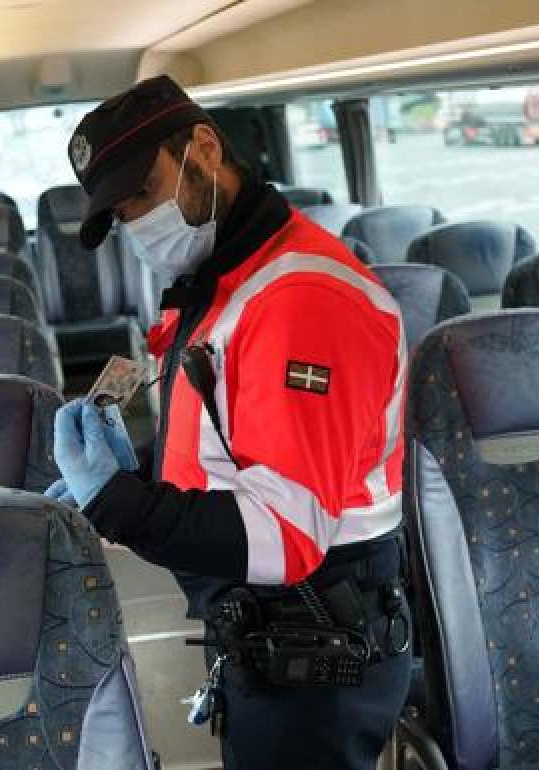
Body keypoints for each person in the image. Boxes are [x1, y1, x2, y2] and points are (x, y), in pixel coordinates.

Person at [49, 76, 410, 770]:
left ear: (204, 150)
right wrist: (147, 469)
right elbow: (237, 438)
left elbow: (287, 536)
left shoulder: (301, 300)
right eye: (124, 212)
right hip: (271, 631)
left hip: (315, 630)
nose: (139, 223)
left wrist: (119, 502)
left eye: (146, 192)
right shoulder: (232, 279)